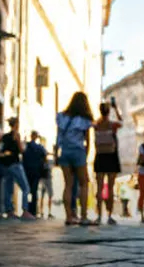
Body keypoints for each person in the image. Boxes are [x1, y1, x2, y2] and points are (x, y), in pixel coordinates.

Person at [56, 91, 94, 226]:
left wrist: (56, 153)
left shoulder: (62, 116)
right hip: (78, 151)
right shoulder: (85, 119)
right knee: (84, 184)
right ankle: (83, 217)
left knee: (68, 185)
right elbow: (87, 140)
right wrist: (86, 154)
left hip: (65, 151)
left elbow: (58, 136)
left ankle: (69, 217)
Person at [93, 99, 123, 225]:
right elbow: (121, 121)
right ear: (109, 111)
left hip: (100, 155)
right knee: (110, 188)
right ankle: (109, 215)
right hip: (111, 156)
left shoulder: (96, 125)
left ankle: (99, 215)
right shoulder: (113, 125)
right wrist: (116, 108)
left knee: (99, 188)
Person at [1, 117, 35, 220]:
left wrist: (0, 154)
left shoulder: (4, 136)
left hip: (6, 165)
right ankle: (25, 210)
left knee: (8, 189)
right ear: (16, 124)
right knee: (26, 188)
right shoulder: (16, 134)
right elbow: (21, 150)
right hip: (15, 164)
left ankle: (9, 211)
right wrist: (20, 143)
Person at [22, 131, 47, 218]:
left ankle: (27, 209)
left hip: (27, 170)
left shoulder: (27, 146)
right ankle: (33, 210)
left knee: (27, 190)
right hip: (36, 171)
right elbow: (45, 155)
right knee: (34, 191)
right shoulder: (39, 147)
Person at [39, 155, 55, 219]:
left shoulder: (44, 162)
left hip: (43, 179)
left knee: (45, 196)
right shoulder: (49, 162)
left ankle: (44, 212)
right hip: (47, 179)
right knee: (46, 196)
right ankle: (45, 212)